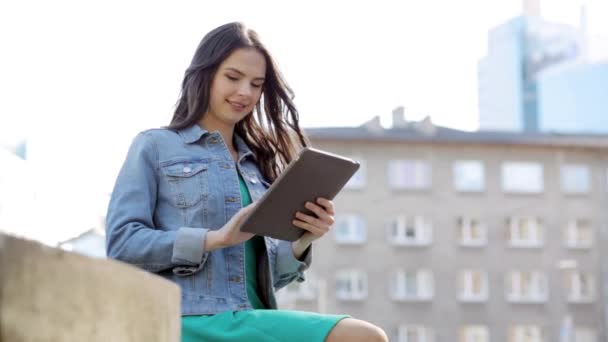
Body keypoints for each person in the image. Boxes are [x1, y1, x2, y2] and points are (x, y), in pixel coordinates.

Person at [105, 22, 388, 342]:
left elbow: (265, 278)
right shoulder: (155, 146)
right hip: (189, 319)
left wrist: (301, 241)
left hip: (253, 316)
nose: (245, 93)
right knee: (363, 337)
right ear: (205, 74)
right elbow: (122, 244)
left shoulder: (257, 164)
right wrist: (215, 238)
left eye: (256, 84)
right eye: (233, 77)